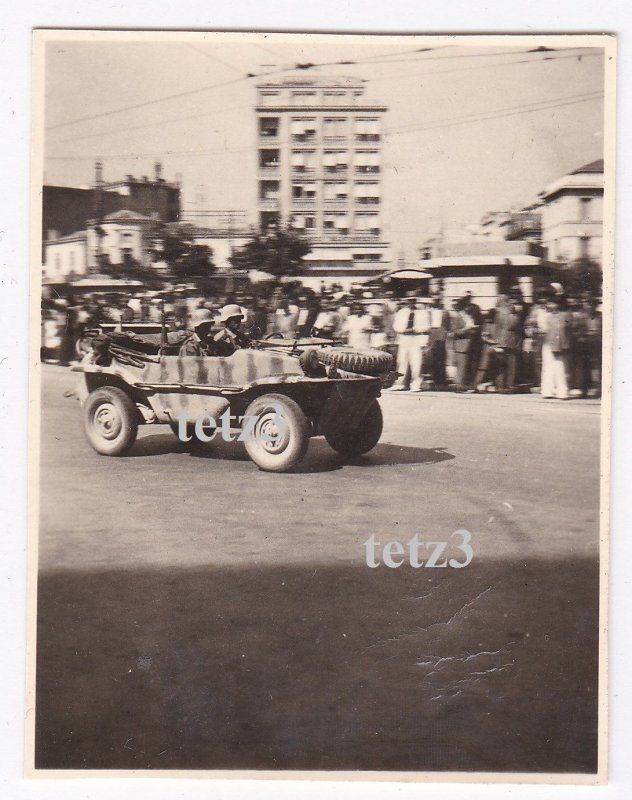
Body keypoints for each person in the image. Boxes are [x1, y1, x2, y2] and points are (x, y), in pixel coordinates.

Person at [390, 295, 432, 392]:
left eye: (413, 300)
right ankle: (399, 384)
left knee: (416, 363)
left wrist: (414, 329)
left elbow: (427, 327)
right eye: (409, 300)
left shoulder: (423, 313)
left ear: (416, 301)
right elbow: (396, 326)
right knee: (401, 362)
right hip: (404, 338)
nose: (411, 302)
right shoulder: (401, 312)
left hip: (416, 339)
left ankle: (416, 385)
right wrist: (404, 330)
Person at [540, 290, 572, 400]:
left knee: (560, 368)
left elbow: (564, 331)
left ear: (558, 304)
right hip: (548, 344)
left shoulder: (564, 315)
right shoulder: (547, 316)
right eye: (549, 303)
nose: (550, 305)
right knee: (547, 367)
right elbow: (544, 329)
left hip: (560, 345)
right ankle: (547, 390)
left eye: (552, 303)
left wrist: (562, 345)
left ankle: (562, 391)